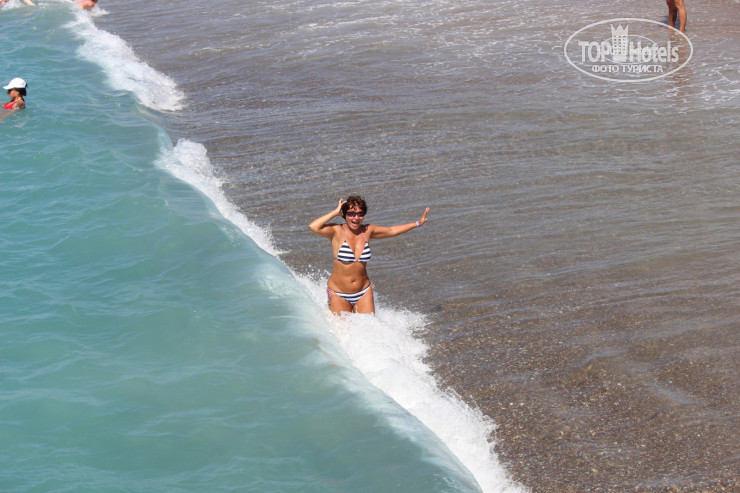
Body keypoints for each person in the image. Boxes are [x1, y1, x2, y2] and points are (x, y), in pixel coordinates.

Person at [309, 196, 430, 315]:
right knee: (343, 328)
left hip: (363, 292)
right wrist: (335, 213)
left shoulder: (367, 230)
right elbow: (313, 227)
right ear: (344, 214)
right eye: (351, 214)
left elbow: (392, 231)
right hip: (338, 293)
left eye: (360, 214)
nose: (356, 218)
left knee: (369, 325)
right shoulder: (336, 231)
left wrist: (417, 223)